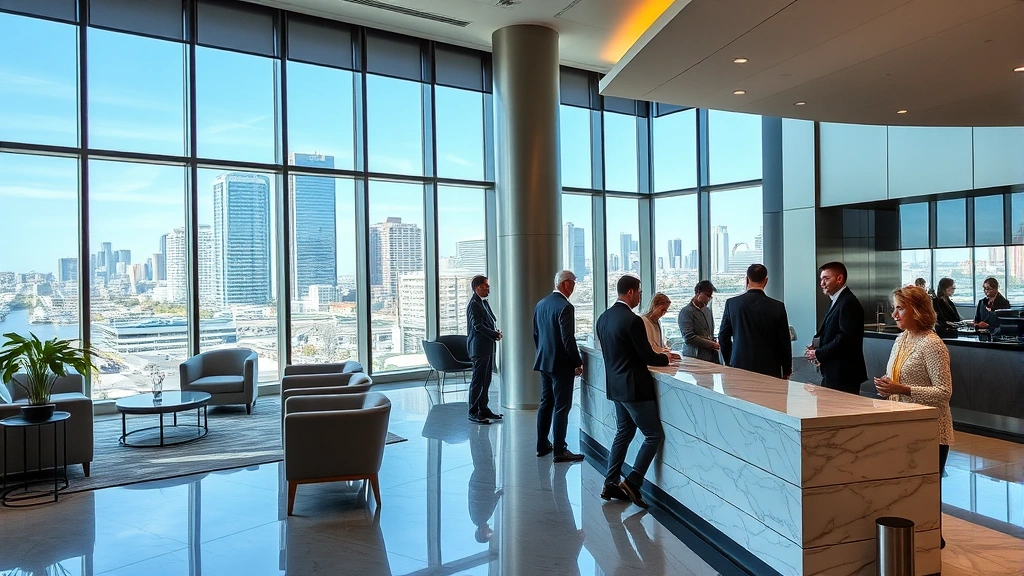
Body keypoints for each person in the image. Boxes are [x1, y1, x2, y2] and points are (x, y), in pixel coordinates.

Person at [873, 284, 953, 549]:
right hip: (901, 426)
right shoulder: (901, 340)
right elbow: (898, 380)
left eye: (900, 308)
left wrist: (903, 389)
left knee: (926, 491)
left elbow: (944, 392)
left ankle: (931, 540)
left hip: (931, 431)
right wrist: (889, 388)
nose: (894, 314)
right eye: (894, 308)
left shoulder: (932, 344)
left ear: (917, 310)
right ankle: (915, 540)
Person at [595, 275, 677, 509]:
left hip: (615, 386)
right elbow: (647, 356)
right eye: (639, 291)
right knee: (653, 435)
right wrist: (666, 357)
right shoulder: (632, 320)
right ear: (630, 292)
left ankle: (610, 482)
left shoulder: (604, 318)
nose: (641, 296)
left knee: (624, 432)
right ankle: (633, 481)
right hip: (634, 388)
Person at [533, 270, 585, 463]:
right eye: (573, 283)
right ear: (565, 284)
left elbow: (536, 335)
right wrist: (577, 362)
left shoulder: (541, 304)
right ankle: (560, 450)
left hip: (544, 362)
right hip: (561, 365)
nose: (574, 287)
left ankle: (542, 444)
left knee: (546, 403)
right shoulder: (565, 307)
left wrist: (543, 354)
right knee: (562, 407)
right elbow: (567, 340)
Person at [718, 264, 793, 379]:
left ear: (747, 279)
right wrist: (787, 369)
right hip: (769, 367)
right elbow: (784, 341)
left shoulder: (732, 304)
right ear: (766, 281)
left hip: (739, 365)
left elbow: (723, 336)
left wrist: (730, 360)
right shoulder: (777, 306)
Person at [804, 262, 867, 395]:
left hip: (844, 373)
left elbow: (844, 338)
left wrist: (819, 353)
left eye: (826, 279)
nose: (822, 283)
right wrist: (817, 347)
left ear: (839, 279)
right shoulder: (837, 300)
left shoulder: (848, 302)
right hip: (834, 372)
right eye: (821, 279)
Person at [466, 275, 502, 424]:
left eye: (488, 285)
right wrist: (494, 334)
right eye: (485, 286)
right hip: (479, 348)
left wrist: (495, 333)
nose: (488, 288)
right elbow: (478, 326)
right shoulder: (474, 304)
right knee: (478, 380)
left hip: (487, 346)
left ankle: (483, 409)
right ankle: (473, 412)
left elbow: (489, 322)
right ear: (477, 287)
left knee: (486, 379)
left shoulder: (483, 303)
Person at [677, 280, 721, 364]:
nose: (708, 299)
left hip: (710, 357)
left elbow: (710, 333)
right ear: (698, 293)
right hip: (694, 357)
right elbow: (688, 337)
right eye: (707, 295)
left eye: (710, 296)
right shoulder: (686, 312)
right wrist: (711, 344)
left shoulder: (707, 311)